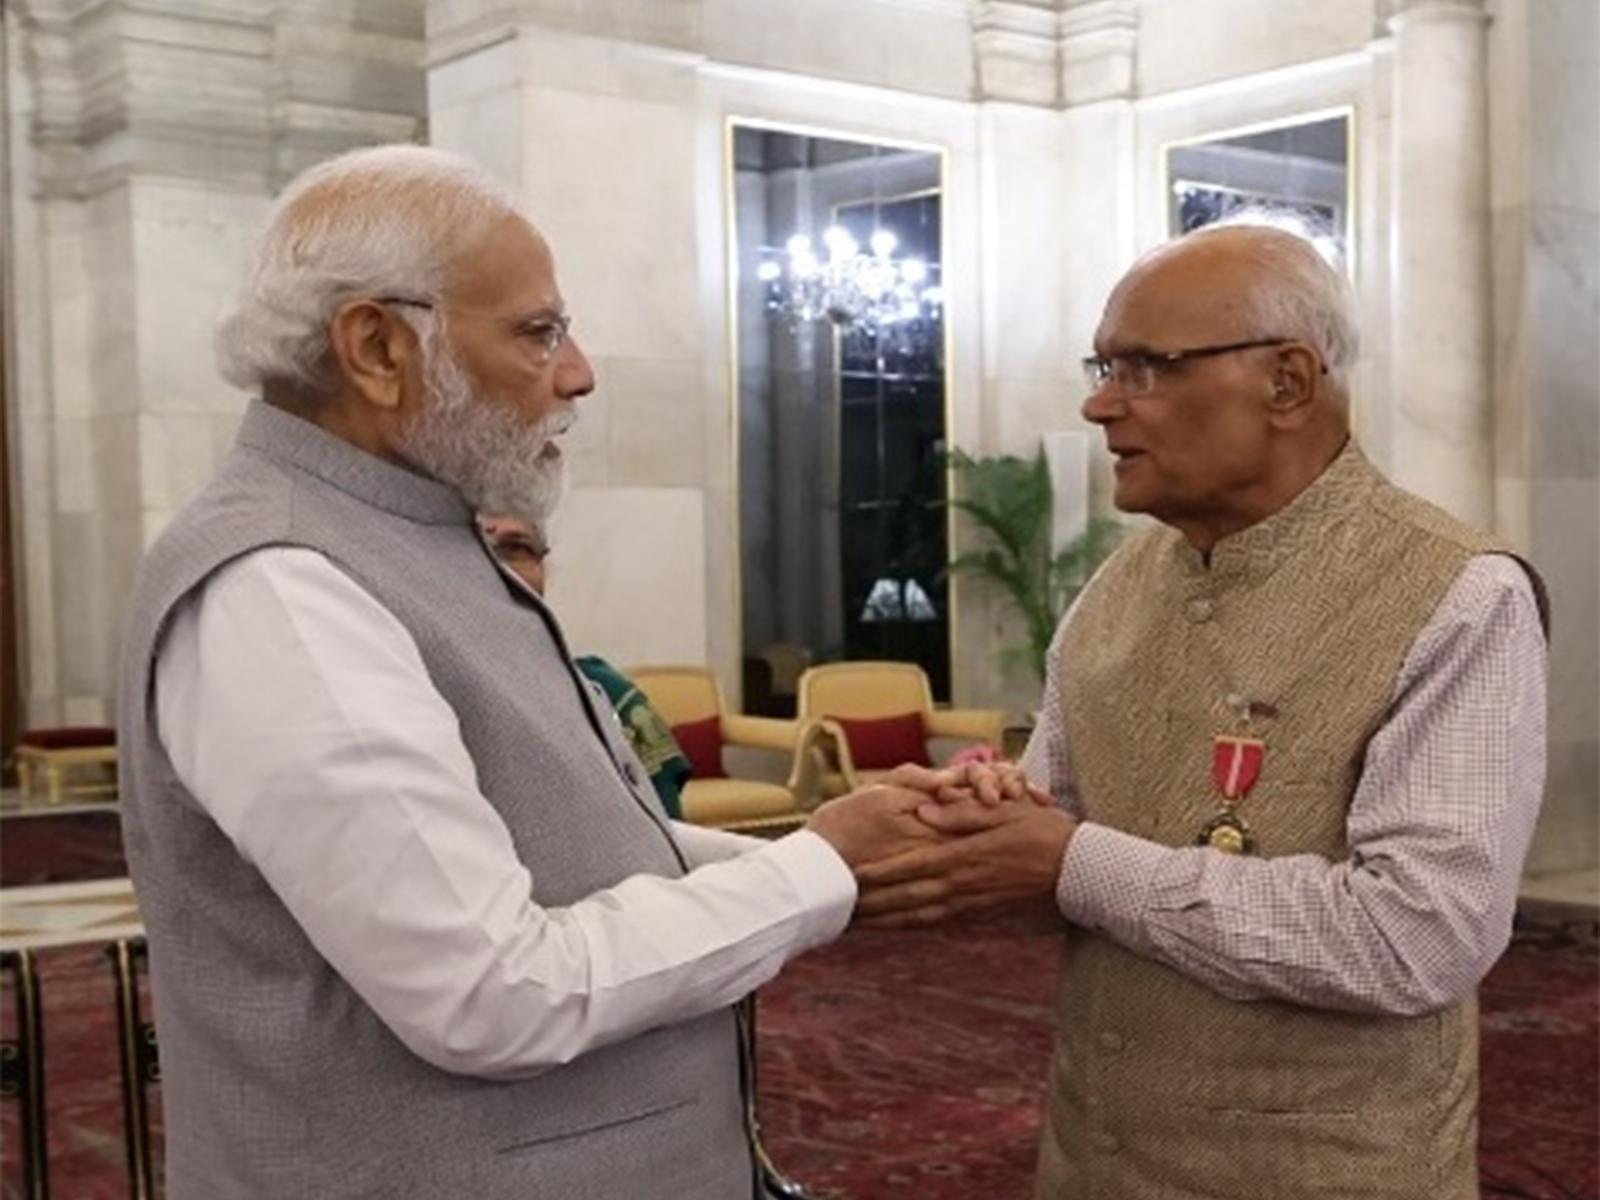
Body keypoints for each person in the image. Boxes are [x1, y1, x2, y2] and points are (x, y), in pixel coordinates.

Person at [115, 144, 1019, 1200]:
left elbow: (566, 841)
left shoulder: (407, 534)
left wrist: (846, 849)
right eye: (538, 332)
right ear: (377, 346)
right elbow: (492, 994)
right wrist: (818, 871)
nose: (580, 371)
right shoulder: (280, 587)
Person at [856, 222, 1550, 1200]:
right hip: (1094, 1158)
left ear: (1287, 383)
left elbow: (1416, 940)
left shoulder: (1457, 592)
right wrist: (980, 819)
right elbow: (1052, 830)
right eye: (1104, 366)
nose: (1100, 404)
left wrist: (1067, 859)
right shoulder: (1115, 586)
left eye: (1145, 368)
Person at [480, 513, 692, 818]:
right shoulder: (419, 700)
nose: (496, 569)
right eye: (474, 547)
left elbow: (664, 830)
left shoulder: (608, 695)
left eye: (515, 548)